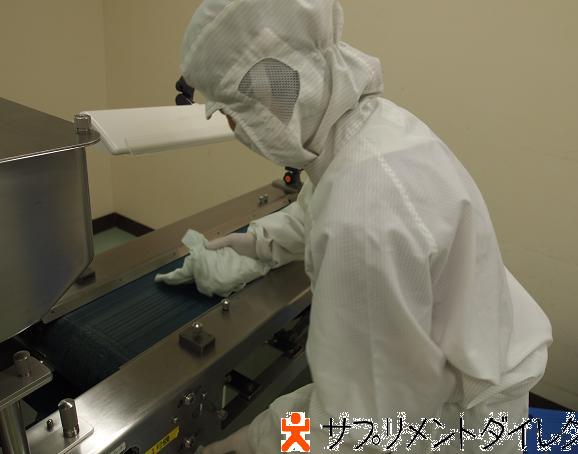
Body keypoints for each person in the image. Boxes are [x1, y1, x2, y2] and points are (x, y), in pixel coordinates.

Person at [179, 0, 553, 452]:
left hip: (461, 424)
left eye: (231, 111)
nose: (232, 126)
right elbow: (319, 203)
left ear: (269, 99)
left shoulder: (363, 220)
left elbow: (359, 430)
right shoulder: (370, 129)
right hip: (474, 364)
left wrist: (252, 441)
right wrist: (257, 243)